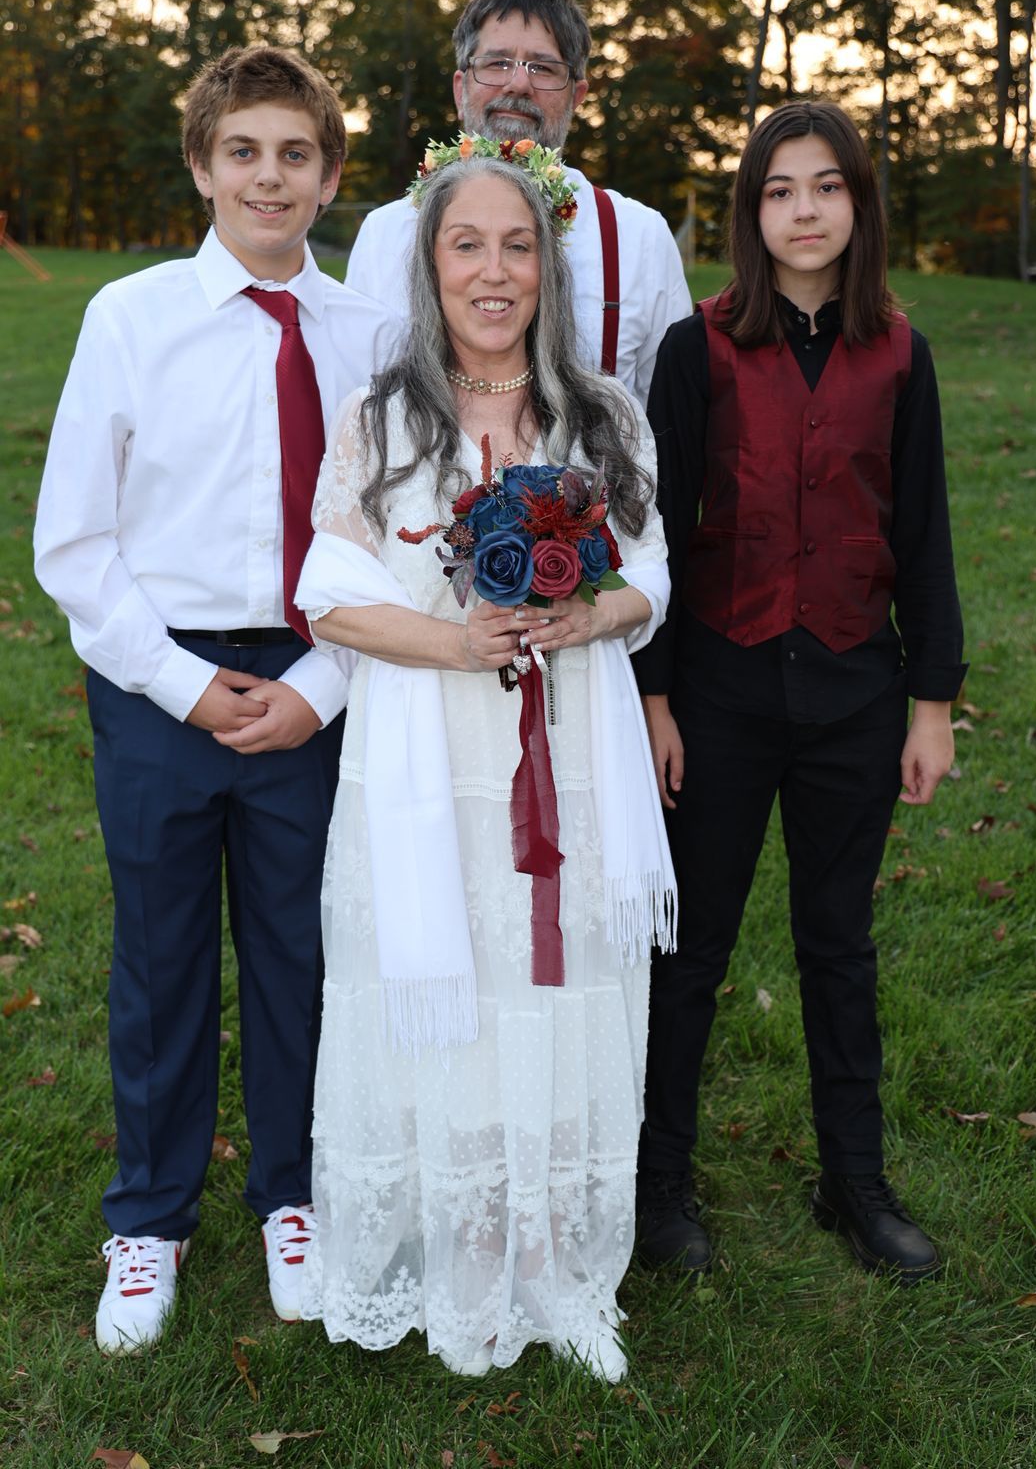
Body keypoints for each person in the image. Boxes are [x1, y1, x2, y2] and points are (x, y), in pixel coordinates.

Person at [33, 44, 399, 1353]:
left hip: (317, 670)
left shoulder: (372, 336)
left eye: (294, 154)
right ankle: (149, 1217)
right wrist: (187, 688)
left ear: (331, 176)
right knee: (163, 955)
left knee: (303, 952)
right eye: (242, 151)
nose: (268, 177)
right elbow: (75, 542)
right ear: (202, 166)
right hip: (158, 680)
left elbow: (400, 539)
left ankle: (293, 1196)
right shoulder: (129, 319)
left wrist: (322, 688)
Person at [293, 144, 675, 1381]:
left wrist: (591, 610)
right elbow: (328, 599)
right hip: (429, 768)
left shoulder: (601, 417)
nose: (494, 271)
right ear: (430, 263)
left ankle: (554, 1262)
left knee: (556, 988)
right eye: (467, 245)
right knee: (445, 993)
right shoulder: (380, 421)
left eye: (518, 247)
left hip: (571, 757)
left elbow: (653, 577)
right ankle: (449, 1248)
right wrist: (458, 642)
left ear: (547, 271)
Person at [632, 101, 966, 1284]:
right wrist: (654, 701)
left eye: (825, 186)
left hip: (851, 692)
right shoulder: (698, 347)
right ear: (751, 210)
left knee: (837, 945)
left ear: (857, 204)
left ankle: (852, 1181)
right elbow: (653, 538)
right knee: (690, 948)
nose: (803, 209)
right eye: (778, 190)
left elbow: (921, 533)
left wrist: (929, 702)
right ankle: (656, 1182)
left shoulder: (900, 352)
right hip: (716, 689)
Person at [345, 0, 691, 411]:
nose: (518, 84)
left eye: (544, 68)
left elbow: (669, 418)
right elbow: (359, 405)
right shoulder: (385, 234)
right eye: (497, 63)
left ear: (577, 96)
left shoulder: (639, 237)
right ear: (460, 88)